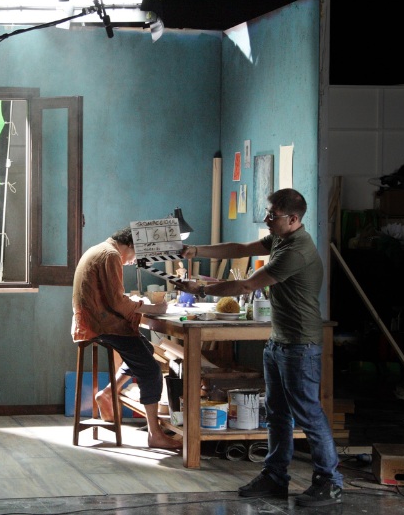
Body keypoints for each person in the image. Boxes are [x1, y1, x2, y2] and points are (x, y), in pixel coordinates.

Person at [178, 188, 343, 507]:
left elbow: (246, 285)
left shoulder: (296, 251)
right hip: (279, 341)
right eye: (267, 213)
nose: (267, 220)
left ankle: (331, 483)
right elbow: (240, 248)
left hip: (301, 345)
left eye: (273, 215)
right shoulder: (280, 238)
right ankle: (275, 477)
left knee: (308, 413)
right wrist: (196, 249)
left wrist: (201, 289)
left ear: (293, 219)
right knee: (278, 415)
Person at [71, 226, 178, 450]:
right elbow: (117, 302)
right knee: (151, 371)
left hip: (90, 321)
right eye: (136, 255)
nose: (133, 261)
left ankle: (108, 393)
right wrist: (152, 308)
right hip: (101, 325)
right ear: (130, 245)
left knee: (147, 351)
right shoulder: (110, 255)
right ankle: (155, 434)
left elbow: (112, 298)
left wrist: (139, 306)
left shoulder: (99, 249)